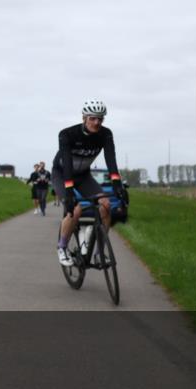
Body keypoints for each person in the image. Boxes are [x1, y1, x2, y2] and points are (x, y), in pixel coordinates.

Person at [51, 101, 124, 267]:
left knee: (106, 205)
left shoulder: (105, 134)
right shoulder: (67, 134)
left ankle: (99, 253)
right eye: (92, 118)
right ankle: (62, 247)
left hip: (83, 176)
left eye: (100, 119)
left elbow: (110, 158)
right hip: (62, 175)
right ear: (84, 118)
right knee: (75, 210)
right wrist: (69, 191)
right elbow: (67, 163)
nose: (97, 122)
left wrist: (117, 183)